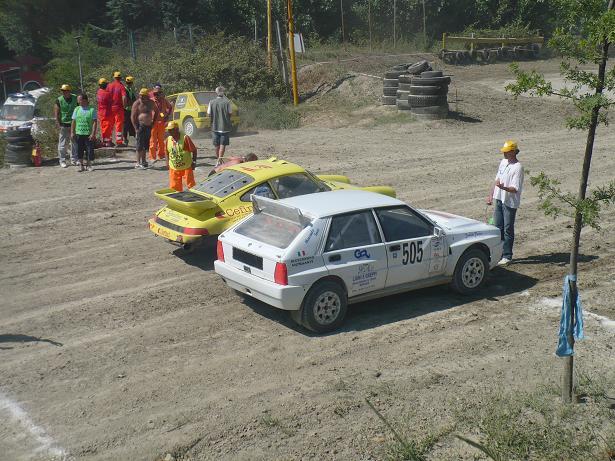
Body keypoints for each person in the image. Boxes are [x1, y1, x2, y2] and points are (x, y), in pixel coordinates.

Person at [486, 140, 524, 266]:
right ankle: (498, 253)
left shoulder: (518, 167)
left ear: (513, 152)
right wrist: (491, 194)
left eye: (507, 152)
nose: (504, 154)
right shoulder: (503, 162)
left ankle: (507, 255)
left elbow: (515, 189)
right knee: (498, 227)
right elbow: (497, 179)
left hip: (509, 202)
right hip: (498, 198)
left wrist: (503, 188)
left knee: (508, 229)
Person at [165, 121, 197, 191]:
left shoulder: (185, 138)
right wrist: (167, 162)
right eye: (168, 130)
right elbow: (167, 152)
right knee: (174, 186)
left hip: (186, 166)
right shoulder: (168, 140)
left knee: (190, 184)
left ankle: (193, 197)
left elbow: (194, 150)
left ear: (176, 129)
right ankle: (177, 197)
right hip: (174, 167)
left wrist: (194, 162)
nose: (169, 132)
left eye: (171, 130)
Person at [70, 94, 97, 172]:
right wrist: (72, 132)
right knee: (79, 150)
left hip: (88, 134)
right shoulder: (77, 109)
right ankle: (81, 165)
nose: (78, 101)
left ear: (85, 100)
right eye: (78, 100)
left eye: (80, 100)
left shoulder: (92, 110)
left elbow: (95, 122)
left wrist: (93, 134)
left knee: (90, 150)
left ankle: (89, 165)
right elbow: (73, 121)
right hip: (79, 133)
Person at [207, 86, 233, 165]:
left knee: (216, 145)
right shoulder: (227, 102)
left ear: (216, 93)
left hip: (215, 127)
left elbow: (208, 114)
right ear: (223, 92)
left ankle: (218, 160)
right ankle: (219, 160)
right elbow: (230, 113)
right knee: (222, 145)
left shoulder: (211, 102)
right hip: (225, 127)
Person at [54, 84, 78, 168]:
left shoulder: (75, 98)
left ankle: (74, 159)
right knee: (62, 144)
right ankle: (62, 160)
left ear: (69, 91)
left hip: (74, 123)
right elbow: (56, 113)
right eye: (62, 91)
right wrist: (58, 123)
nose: (63, 92)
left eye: (65, 91)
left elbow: (79, 108)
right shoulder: (59, 100)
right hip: (63, 124)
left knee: (74, 142)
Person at [131, 88, 155, 169]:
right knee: (139, 145)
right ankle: (138, 163)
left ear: (147, 96)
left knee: (145, 145)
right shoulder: (137, 103)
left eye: (143, 96)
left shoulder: (151, 103)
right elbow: (133, 116)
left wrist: (153, 123)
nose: (141, 97)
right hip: (140, 126)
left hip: (149, 126)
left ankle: (144, 161)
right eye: (140, 95)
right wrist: (135, 128)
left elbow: (157, 112)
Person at [149, 84, 172, 164]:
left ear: (160, 93)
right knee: (153, 141)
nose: (156, 95)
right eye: (154, 94)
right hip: (153, 124)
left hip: (162, 123)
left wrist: (167, 115)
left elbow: (170, 107)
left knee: (161, 140)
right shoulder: (151, 101)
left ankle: (161, 155)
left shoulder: (164, 100)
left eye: (157, 94)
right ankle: (152, 157)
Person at [107, 71, 128, 146]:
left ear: (114, 77)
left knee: (110, 125)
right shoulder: (121, 86)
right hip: (119, 108)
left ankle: (108, 141)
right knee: (118, 124)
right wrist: (124, 106)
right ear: (120, 78)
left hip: (110, 108)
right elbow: (124, 97)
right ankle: (119, 142)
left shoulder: (109, 85)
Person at [96, 78, 113, 147]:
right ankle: (106, 142)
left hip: (101, 112)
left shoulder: (98, 92)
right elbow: (112, 101)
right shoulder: (107, 94)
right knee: (107, 128)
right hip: (107, 113)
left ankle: (106, 140)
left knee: (104, 127)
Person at [123, 75, 136, 144]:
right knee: (126, 125)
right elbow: (127, 101)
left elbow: (133, 100)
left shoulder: (130, 90)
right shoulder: (125, 90)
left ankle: (133, 138)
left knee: (131, 124)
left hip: (130, 110)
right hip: (126, 110)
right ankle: (125, 139)